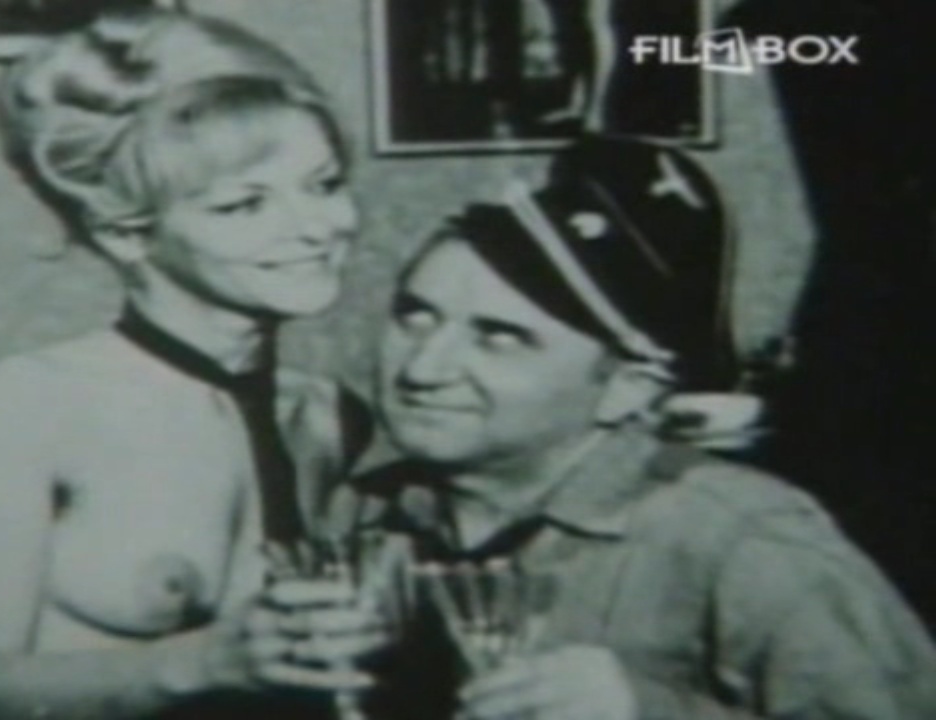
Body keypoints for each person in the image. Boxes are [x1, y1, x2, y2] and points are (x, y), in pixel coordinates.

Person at [0, 6, 387, 719]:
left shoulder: (327, 414)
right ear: (124, 234)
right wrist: (206, 662)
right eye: (243, 205)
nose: (319, 227)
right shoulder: (11, 409)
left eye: (323, 184)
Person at [355, 136, 936, 719]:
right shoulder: (360, 513)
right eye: (415, 317)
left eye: (499, 338)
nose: (422, 368)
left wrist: (659, 712)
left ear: (624, 388)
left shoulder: (740, 540)